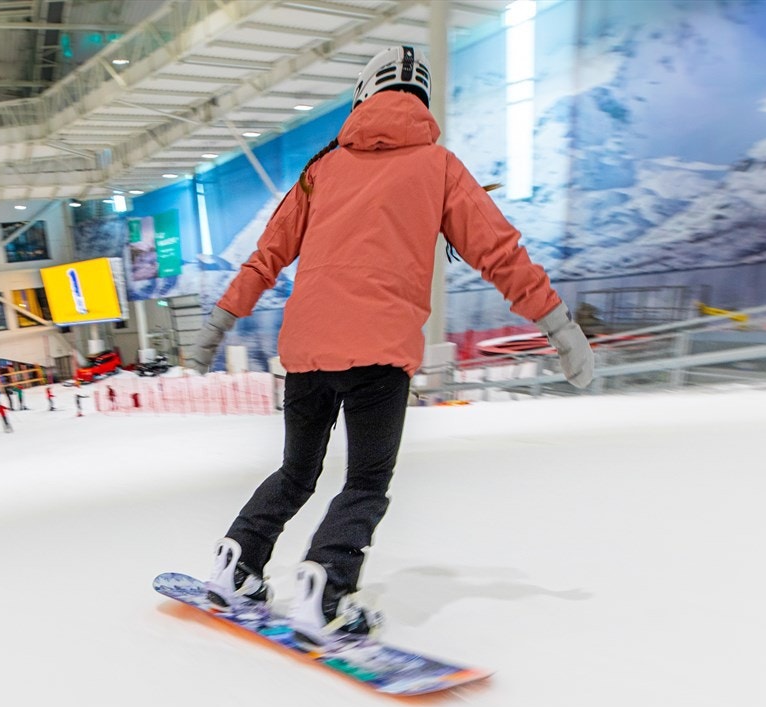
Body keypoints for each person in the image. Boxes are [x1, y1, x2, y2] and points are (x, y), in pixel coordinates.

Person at [190, 44, 595, 645]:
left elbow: (267, 254)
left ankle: (239, 560)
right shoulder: (439, 167)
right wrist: (559, 327)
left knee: (297, 471)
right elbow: (499, 252)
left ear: (363, 95)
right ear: (422, 101)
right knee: (365, 482)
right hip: (378, 353)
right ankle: (325, 588)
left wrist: (217, 326)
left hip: (306, 351)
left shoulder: (322, 169)